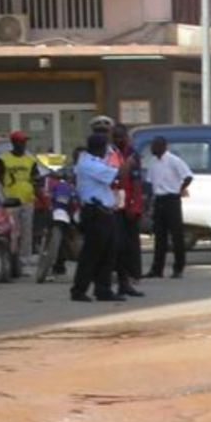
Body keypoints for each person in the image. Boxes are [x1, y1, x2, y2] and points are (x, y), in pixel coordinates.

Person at [72, 132, 123, 302]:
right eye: (104, 148)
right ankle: (79, 290)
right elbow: (117, 174)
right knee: (91, 254)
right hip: (95, 212)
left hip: (105, 212)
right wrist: (128, 162)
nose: (106, 151)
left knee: (108, 253)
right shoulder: (88, 164)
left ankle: (103, 289)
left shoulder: (95, 161)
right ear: (98, 148)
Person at [145, 136, 193, 279]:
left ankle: (178, 268)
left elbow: (188, 176)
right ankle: (157, 269)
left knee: (176, 235)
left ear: (163, 146)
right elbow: (150, 182)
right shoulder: (153, 162)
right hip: (159, 199)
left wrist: (179, 189)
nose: (152, 149)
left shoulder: (173, 160)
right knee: (160, 237)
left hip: (172, 199)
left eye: (155, 146)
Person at [0, 130, 39, 277]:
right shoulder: (4, 159)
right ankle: (11, 261)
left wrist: (38, 190)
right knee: (13, 233)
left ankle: (25, 262)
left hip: (27, 199)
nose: (24, 144)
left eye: (25, 142)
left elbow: (35, 177)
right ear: (14, 142)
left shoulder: (30, 159)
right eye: (21, 141)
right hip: (10, 200)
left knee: (27, 232)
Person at [109, 124, 144, 298]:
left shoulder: (132, 155)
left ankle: (132, 276)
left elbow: (137, 183)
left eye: (121, 136)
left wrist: (134, 205)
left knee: (130, 243)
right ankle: (118, 277)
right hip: (112, 205)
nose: (118, 140)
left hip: (128, 204)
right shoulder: (109, 154)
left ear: (127, 138)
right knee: (116, 244)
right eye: (115, 137)